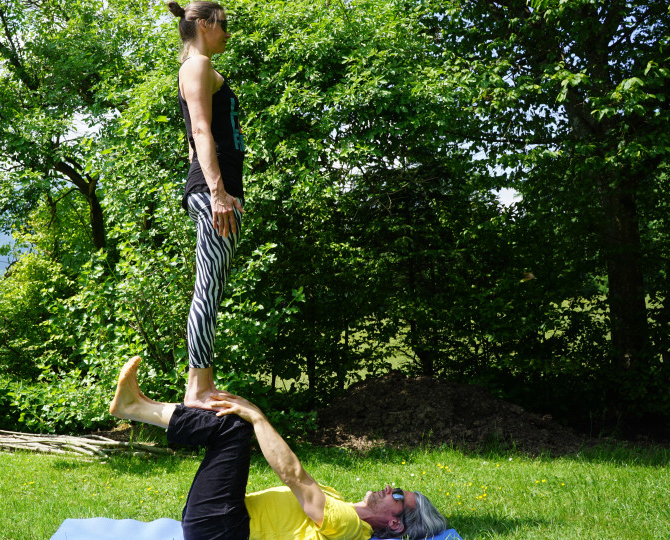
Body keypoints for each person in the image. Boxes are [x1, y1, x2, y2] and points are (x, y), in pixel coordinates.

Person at [110, 356, 448, 540]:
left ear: (395, 524)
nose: (392, 488)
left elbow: (294, 475)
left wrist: (258, 419)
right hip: (222, 522)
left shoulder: (349, 527)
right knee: (233, 424)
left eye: (400, 495)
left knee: (233, 427)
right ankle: (139, 406)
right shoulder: (339, 502)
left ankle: (135, 408)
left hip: (222, 531)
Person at [168, 1, 246, 410]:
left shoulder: (202, 66)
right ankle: (197, 390)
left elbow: (197, 136)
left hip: (220, 189)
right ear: (202, 23)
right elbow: (199, 130)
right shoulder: (196, 65)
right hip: (215, 192)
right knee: (208, 287)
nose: (227, 33)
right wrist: (216, 191)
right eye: (223, 24)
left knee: (211, 288)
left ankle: (201, 384)